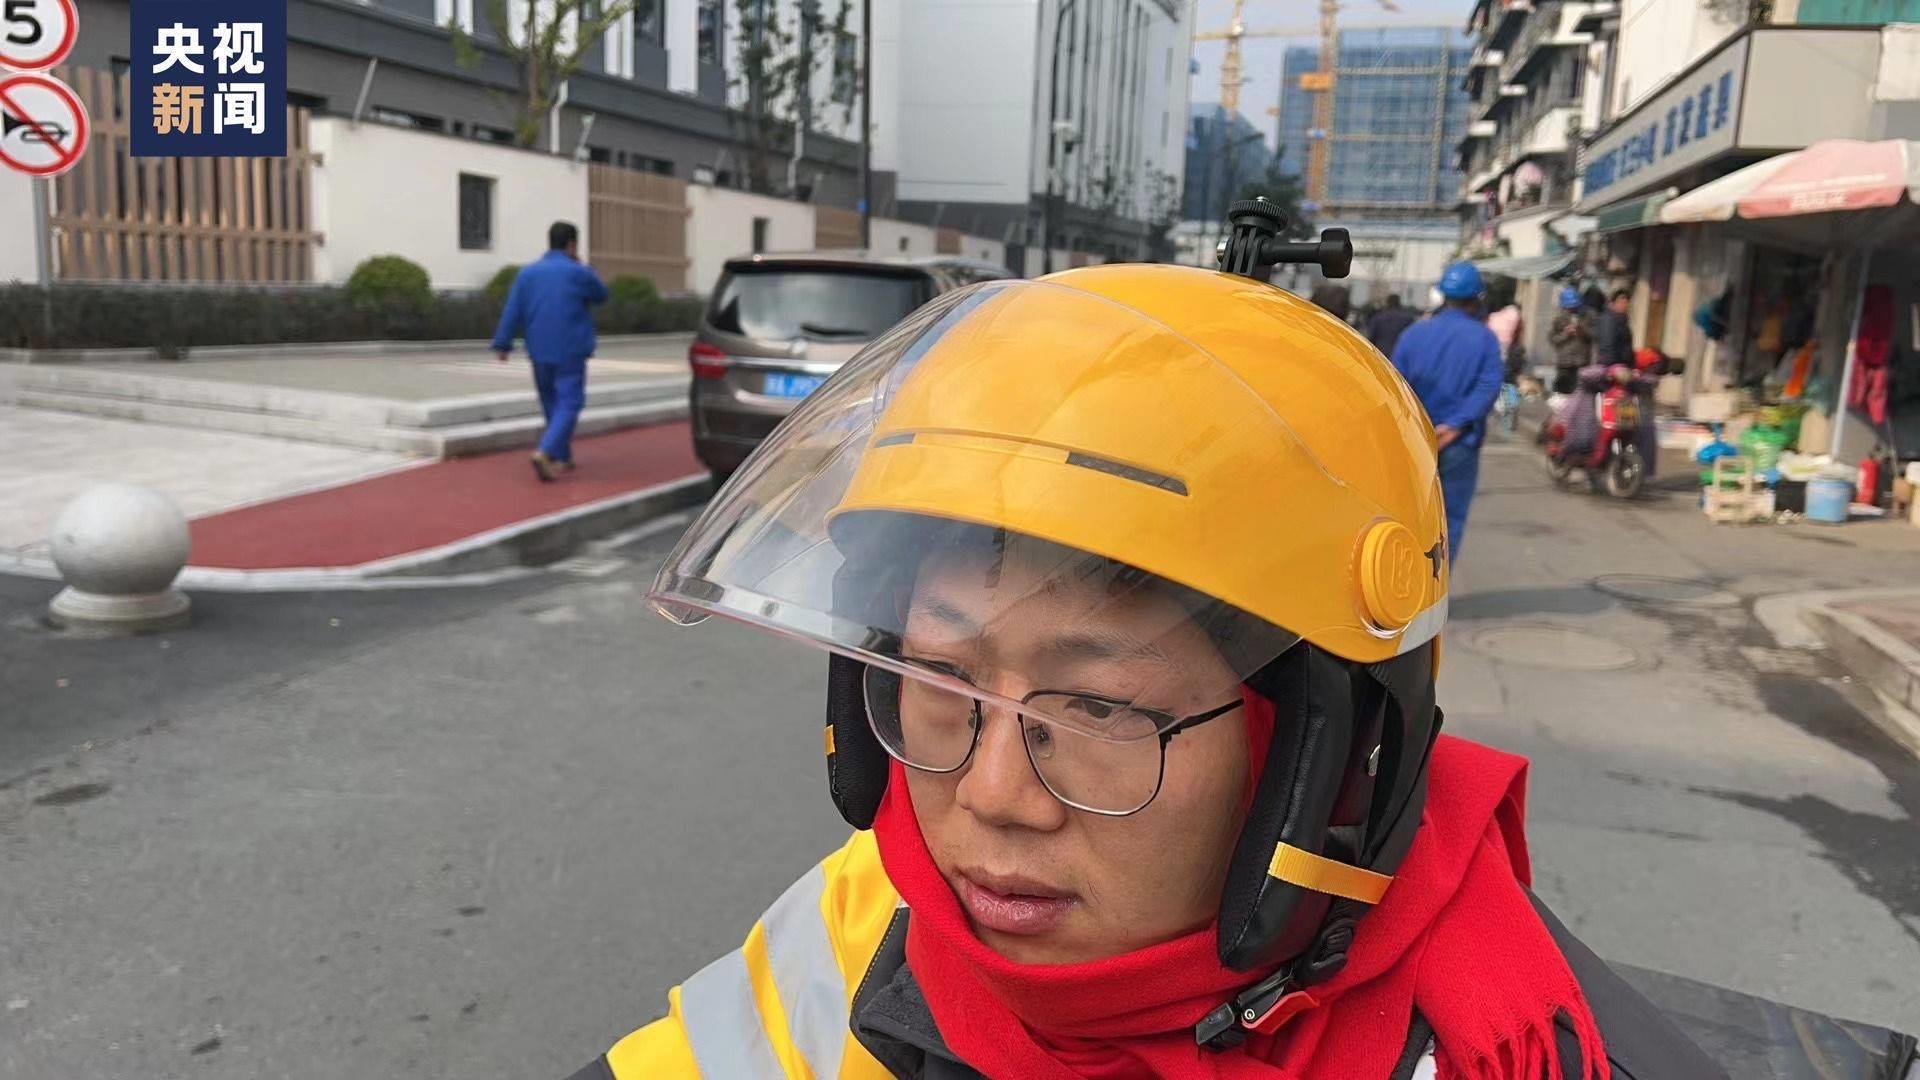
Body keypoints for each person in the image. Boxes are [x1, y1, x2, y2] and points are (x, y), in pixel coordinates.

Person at [567, 266, 1722, 1079]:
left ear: (1314, 760)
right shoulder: (875, 907)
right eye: (945, 682)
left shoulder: (1497, 1050)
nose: (992, 799)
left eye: (1098, 710)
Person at [1388, 262, 1505, 562]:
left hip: (1415, 441)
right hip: (1459, 442)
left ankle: (1403, 581)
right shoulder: (1484, 339)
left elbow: (1395, 385)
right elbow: (1488, 386)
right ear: (1476, 298)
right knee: (1448, 524)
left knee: (1407, 517)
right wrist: (1455, 425)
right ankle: (1437, 586)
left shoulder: (1414, 334)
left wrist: (1419, 428)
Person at [492, 221, 611, 481]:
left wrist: (503, 343)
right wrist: (587, 268)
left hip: (538, 349)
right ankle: (546, 451)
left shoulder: (527, 273)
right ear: (572, 245)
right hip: (570, 348)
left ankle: (561, 456)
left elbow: (513, 309)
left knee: (551, 403)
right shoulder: (578, 272)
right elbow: (602, 294)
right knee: (569, 402)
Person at [1549, 285, 1594, 394]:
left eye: (1574, 306)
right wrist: (1565, 334)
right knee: (1563, 393)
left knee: (1580, 394)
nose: (1572, 309)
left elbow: (1592, 336)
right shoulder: (1558, 319)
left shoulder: (1587, 316)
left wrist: (1580, 330)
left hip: (1581, 362)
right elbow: (1553, 340)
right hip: (1564, 363)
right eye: (1569, 307)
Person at [1593, 287, 1634, 369]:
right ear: (1613, 303)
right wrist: (1612, 368)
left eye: (1626, 302)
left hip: (1621, 365)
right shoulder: (1608, 319)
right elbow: (1607, 346)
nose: (1624, 305)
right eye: (1621, 302)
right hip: (1612, 367)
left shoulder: (1621, 319)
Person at [1365, 292, 1416, 356]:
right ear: (1399, 302)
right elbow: (1412, 339)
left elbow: (1371, 338)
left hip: (1382, 353)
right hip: (1399, 353)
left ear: (1387, 302)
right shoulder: (1408, 318)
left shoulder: (1378, 317)